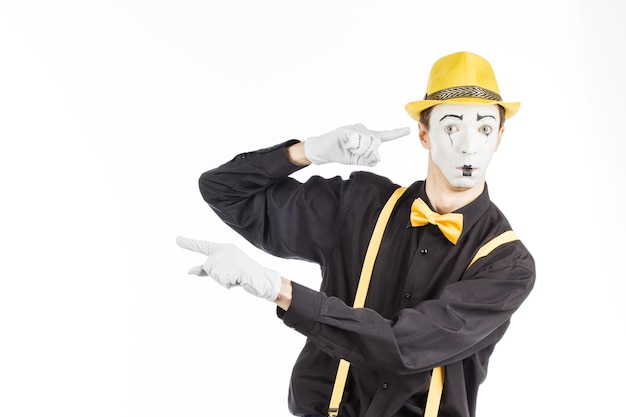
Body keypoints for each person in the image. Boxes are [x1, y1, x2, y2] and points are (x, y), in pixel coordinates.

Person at [177, 51, 535, 417]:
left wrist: (277, 289)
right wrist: (310, 150)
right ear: (424, 134)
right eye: (452, 127)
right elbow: (223, 189)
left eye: (485, 128)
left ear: (500, 137)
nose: (469, 147)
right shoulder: (359, 205)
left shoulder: (508, 265)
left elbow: (402, 346)